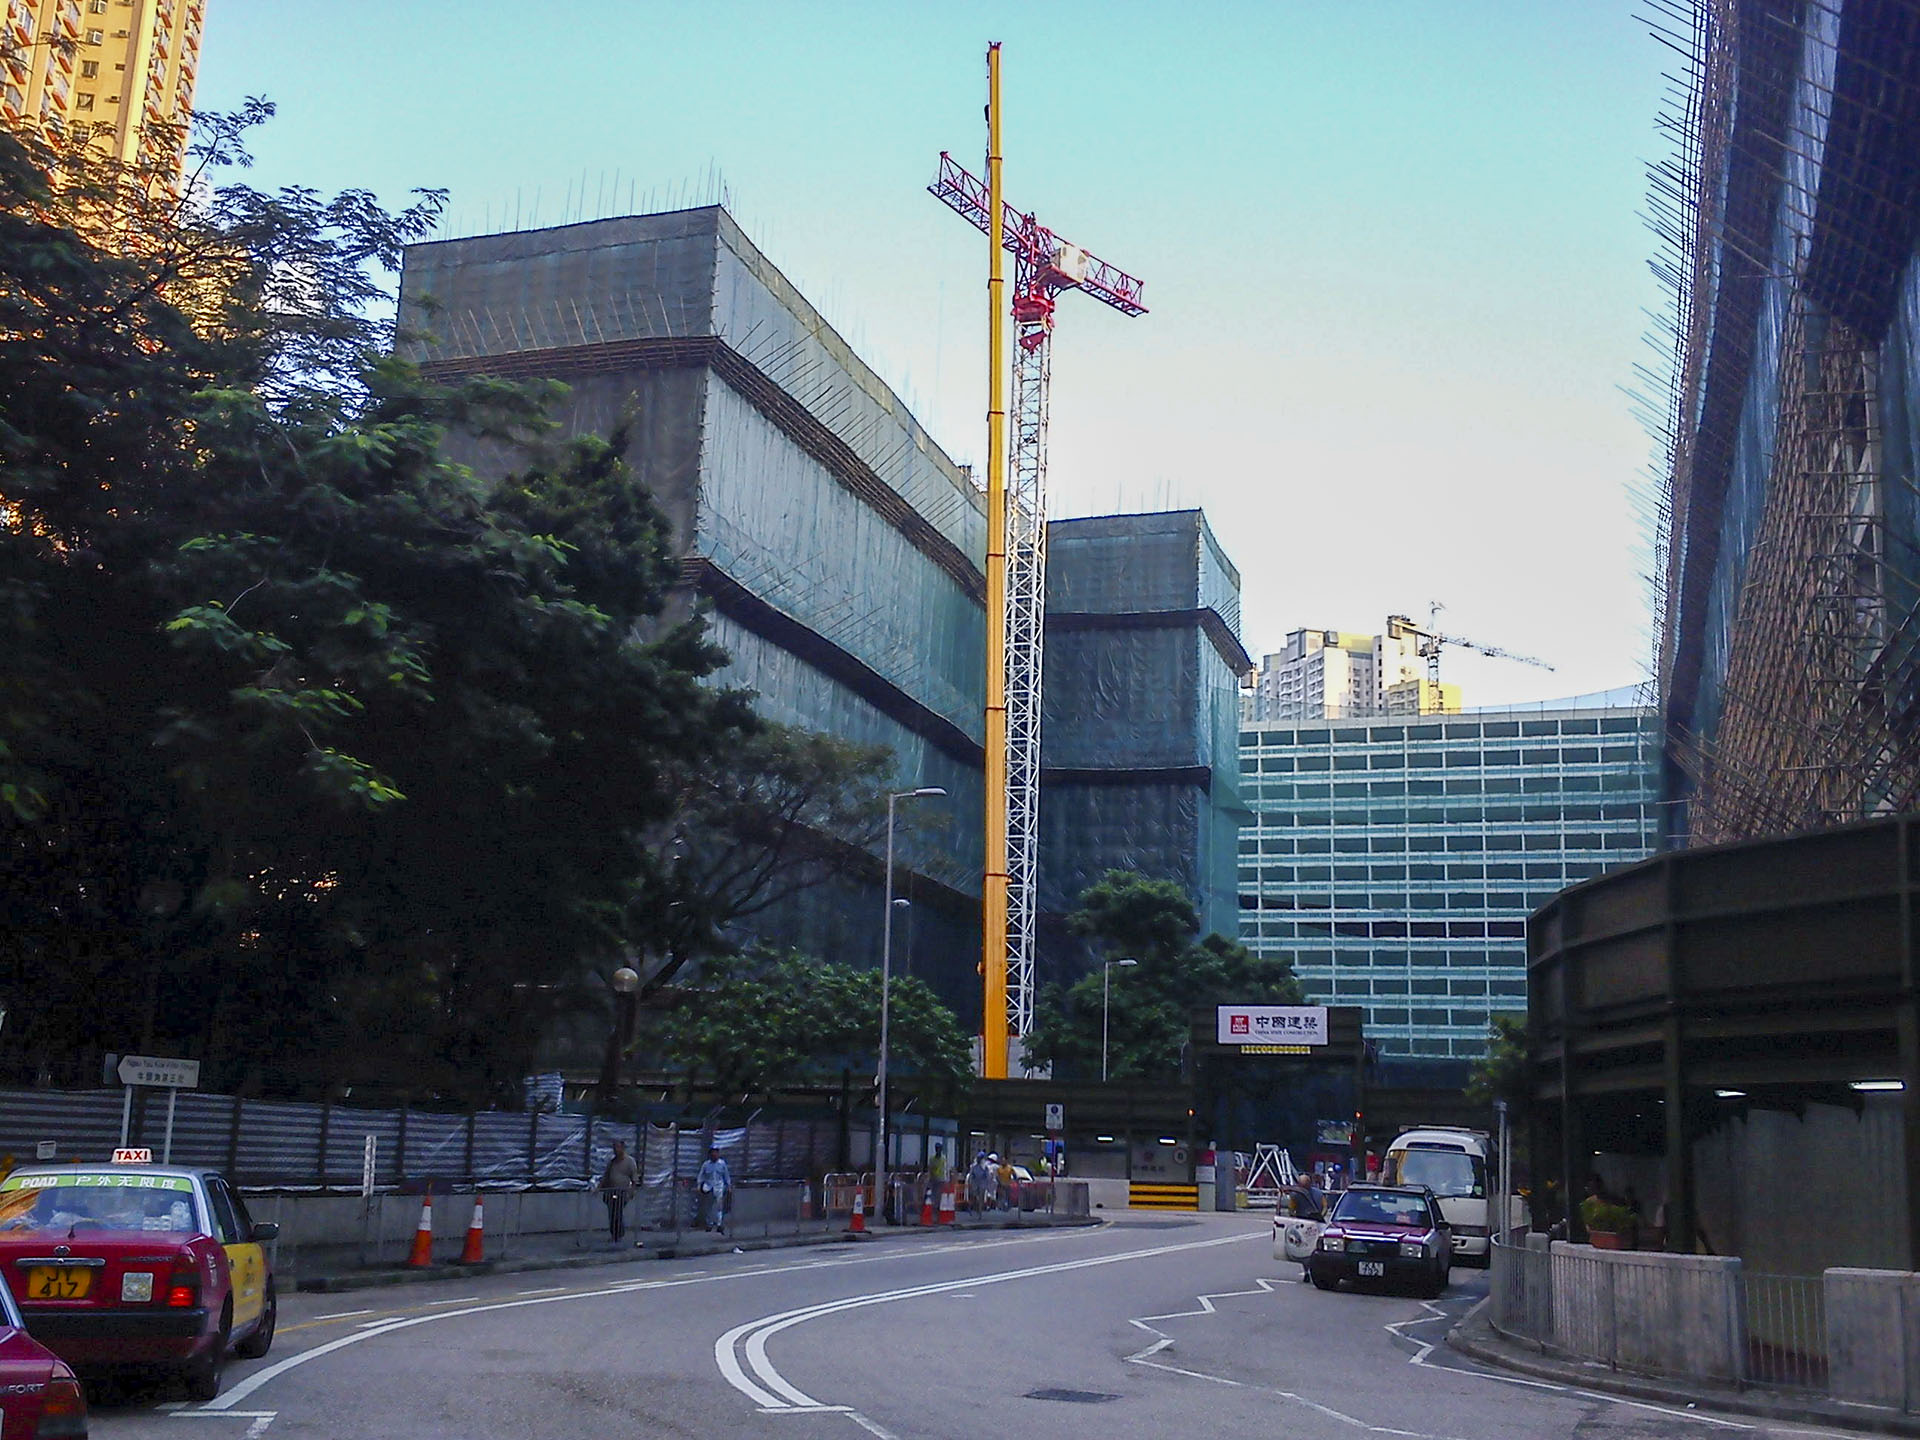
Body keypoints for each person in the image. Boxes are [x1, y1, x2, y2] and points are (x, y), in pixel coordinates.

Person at [600, 1139, 638, 1246]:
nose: (615, 1150)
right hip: (611, 1191)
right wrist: (599, 1188)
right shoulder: (612, 1162)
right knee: (612, 1214)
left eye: (617, 1147)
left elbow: (634, 1177)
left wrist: (632, 1191)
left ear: (622, 1148)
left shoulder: (629, 1161)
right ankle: (614, 1234)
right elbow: (606, 1176)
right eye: (614, 1147)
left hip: (622, 1192)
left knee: (617, 1213)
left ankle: (618, 1234)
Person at [696, 1143, 732, 1233]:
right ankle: (709, 1223)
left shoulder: (722, 1164)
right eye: (712, 1152)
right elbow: (701, 1175)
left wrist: (729, 1186)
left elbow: (726, 1175)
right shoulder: (706, 1164)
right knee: (709, 1206)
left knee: (719, 1206)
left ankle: (719, 1224)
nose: (714, 1154)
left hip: (719, 1187)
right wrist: (699, 1185)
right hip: (709, 1187)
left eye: (716, 1152)